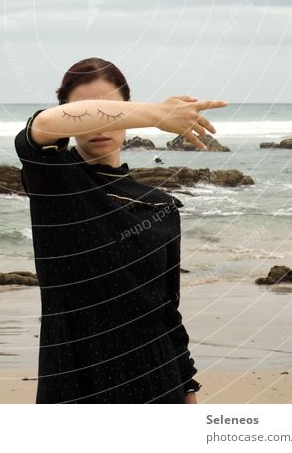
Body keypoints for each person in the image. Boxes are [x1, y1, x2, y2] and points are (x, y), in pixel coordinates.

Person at [14, 56, 227, 403]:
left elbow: (167, 310)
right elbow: (39, 128)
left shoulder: (160, 205)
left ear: (127, 110)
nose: (100, 123)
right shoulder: (53, 180)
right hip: (77, 378)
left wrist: (187, 389)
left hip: (158, 381)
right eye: (87, 110)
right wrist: (158, 115)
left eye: (113, 110)